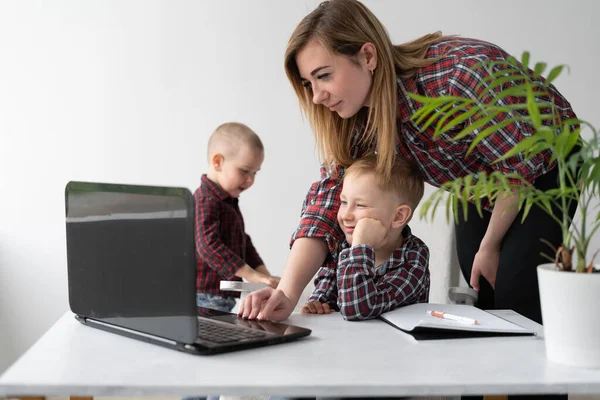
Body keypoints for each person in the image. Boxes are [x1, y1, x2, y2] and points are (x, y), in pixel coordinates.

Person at [238, 2, 576, 398]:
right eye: (308, 84)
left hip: (540, 166)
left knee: (518, 300)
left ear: (367, 55)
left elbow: (519, 167)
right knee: (479, 303)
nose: (316, 96)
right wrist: (287, 294)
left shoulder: (456, 77)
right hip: (473, 182)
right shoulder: (356, 119)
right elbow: (327, 204)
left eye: (323, 76)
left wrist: (491, 243)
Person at [301, 155, 430, 320]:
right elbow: (325, 295)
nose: (346, 215)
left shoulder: (414, 258)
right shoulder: (342, 246)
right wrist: (318, 304)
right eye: (344, 202)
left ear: (398, 216)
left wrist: (361, 246)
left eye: (360, 205)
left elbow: (357, 309)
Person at [195, 122, 280, 313]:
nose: (251, 180)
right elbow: (207, 245)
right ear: (218, 162)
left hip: (220, 298)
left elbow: (243, 243)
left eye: (255, 173)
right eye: (244, 171)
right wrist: (250, 275)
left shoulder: (227, 202)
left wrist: (264, 276)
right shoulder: (205, 200)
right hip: (203, 298)